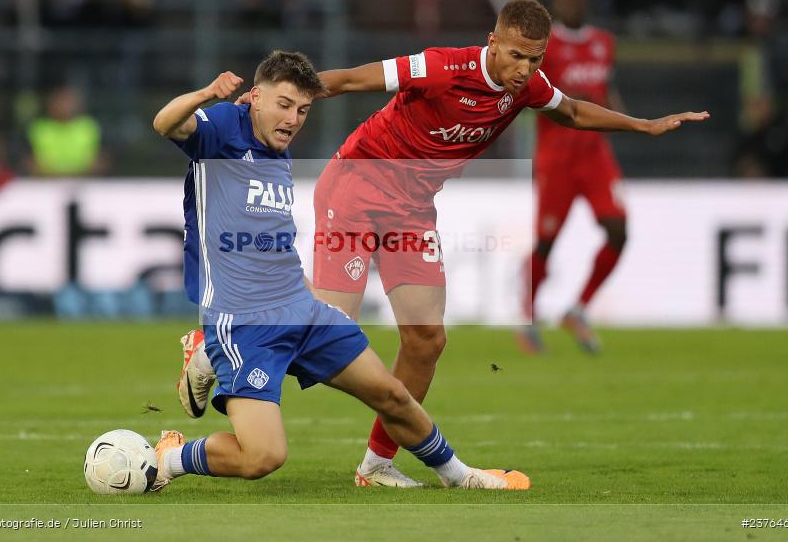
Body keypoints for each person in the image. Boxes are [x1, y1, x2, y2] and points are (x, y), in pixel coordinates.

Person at [182, 0, 709, 487]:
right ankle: (214, 346)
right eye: (518, 55)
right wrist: (282, 97)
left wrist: (643, 125)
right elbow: (353, 80)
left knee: (427, 340)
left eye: (536, 58)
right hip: (359, 185)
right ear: (492, 42)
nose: (526, 69)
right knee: (329, 324)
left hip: (412, 210)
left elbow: (569, 110)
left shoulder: (527, 86)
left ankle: (378, 464)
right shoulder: (442, 66)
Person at [150, 50, 529, 491]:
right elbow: (165, 123)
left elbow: (272, 243)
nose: (294, 119)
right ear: (254, 96)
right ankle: (170, 457)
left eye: (304, 109)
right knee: (263, 456)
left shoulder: (279, 155)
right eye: (284, 104)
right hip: (244, 322)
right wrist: (206, 94)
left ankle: (460, 477)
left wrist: (303, 293)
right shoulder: (221, 132)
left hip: (300, 310)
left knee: (391, 394)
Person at [518, 0, 627, 354]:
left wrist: (617, 112)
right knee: (547, 243)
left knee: (618, 230)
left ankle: (577, 310)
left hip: (596, 156)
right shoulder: (544, 49)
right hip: (557, 158)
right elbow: (530, 94)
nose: (574, 5)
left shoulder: (604, 43)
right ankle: (527, 317)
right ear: (556, 4)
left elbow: (606, 89)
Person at [25, 84, 106, 176]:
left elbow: (101, 162)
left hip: (85, 183)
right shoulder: (38, 128)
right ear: (51, 103)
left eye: (68, 101)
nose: (65, 106)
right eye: (60, 101)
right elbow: (29, 163)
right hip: (45, 184)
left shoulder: (89, 126)